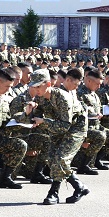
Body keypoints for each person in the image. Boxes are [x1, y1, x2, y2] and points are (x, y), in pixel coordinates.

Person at [21, 69, 89, 205]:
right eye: (33, 86)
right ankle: (77, 188)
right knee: (52, 159)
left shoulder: (63, 97)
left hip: (75, 128)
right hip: (57, 126)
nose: (36, 89)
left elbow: (65, 125)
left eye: (38, 86)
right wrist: (29, 113)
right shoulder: (40, 97)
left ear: (48, 84)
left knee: (60, 159)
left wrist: (44, 122)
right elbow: (36, 117)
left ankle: (55, 192)